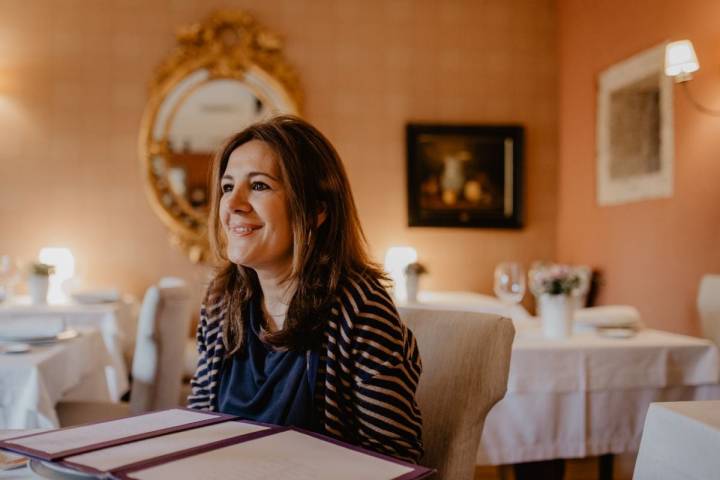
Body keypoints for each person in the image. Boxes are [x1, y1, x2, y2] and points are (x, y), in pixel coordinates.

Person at [188, 115, 424, 462]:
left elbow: (395, 463)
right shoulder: (221, 303)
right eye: (227, 187)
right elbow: (196, 431)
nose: (233, 204)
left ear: (315, 210)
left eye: (259, 186)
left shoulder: (361, 310)